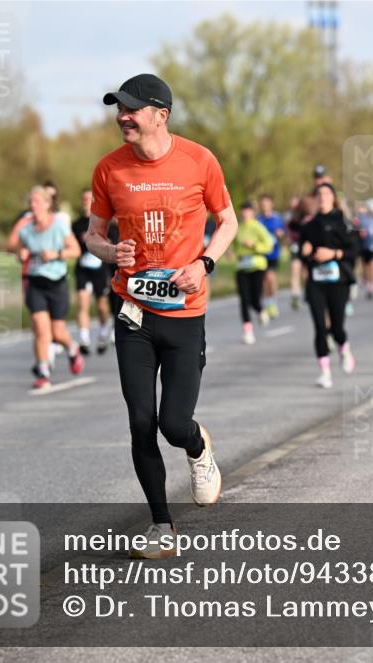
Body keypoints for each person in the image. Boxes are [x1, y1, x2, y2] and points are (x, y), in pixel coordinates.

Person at [84, 73, 237, 558]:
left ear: (160, 115)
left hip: (186, 313)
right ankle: (161, 526)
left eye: (130, 109)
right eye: (118, 108)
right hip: (133, 313)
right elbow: (91, 234)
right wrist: (110, 252)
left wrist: (205, 263)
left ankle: (196, 446)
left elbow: (228, 220)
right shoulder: (109, 169)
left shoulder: (199, 160)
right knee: (139, 420)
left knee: (173, 423)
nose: (121, 117)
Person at [6, 185, 85, 389]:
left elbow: (75, 250)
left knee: (57, 331)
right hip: (35, 282)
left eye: (37, 202)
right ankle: (43, 372)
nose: (33, 205)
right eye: (31, 202)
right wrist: (20, 253)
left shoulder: (58, 226)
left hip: (56, 282)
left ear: (47, 204)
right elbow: (13, 246)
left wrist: (56, 254)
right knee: (41, 330)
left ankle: (72, 348)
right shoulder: (27, 228)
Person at [300, 182, 357, 387]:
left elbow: (354, 251)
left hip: (338, 280)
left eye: (326, 193)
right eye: (319, 194)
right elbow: (302, 251)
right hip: (316, 280)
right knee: (319, 326)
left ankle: (344, 347)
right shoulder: (309, 225)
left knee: (337, 327)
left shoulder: (343, 222)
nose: (323, 197)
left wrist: (333, 254)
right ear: (315, 199)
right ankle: (325, 372)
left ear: (333, 198)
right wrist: (304, 251)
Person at [72, 188, 113, 355]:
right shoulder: (76, 224)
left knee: (102, 306)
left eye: (89, 199)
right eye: (84, 199)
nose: (85, 202)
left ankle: (104, 332)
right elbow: (71, 244)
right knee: (83, 303)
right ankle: (84, 339)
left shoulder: (104, 222)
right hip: (83, 267)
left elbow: (112, 243)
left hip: (99, 268)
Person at [232, 202, 275, 344]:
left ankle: (261, 310)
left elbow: (269, 245)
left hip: (257, 266)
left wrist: (255, 245)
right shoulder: (238, 228)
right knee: (244, 299)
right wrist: (232, 253)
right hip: (242, 267)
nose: (245, 213)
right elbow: (234, 246)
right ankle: (248, 331)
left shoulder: (258, 227)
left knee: (255, 298)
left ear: (253, 212)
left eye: (248, 210)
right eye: (243, 210)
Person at [257, 194, 286, 320]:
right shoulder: (258, 220)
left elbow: (283, 233)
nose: (265, 206)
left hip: (273, 253)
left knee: (270, 278)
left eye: (267, 204)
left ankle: (273, 301)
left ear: (271, 205)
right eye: (263, 204)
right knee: (263, 280)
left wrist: (280, 234)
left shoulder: (277, 218)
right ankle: (268, 303)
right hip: (261, 254)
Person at [287, 194, 315, 311]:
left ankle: (308, 292)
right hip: (296, 247)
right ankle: (295, 295)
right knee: (295, 269)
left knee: (306, 272)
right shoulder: (294, 219)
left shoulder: (312, 218)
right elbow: (290, 231)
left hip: (308, 248)